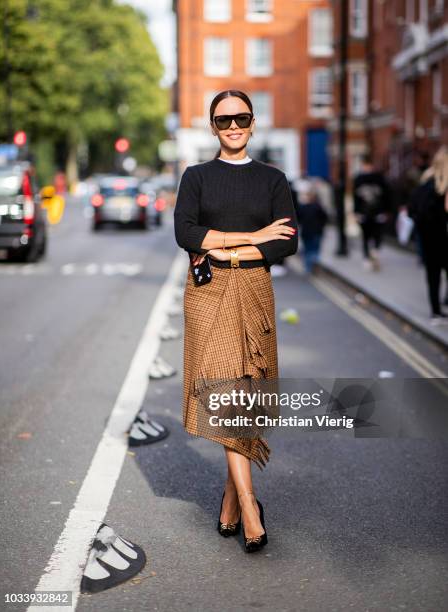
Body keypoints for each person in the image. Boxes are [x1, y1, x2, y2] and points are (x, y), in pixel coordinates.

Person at [174, 90, 298, 552]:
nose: (232, 126)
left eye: (241, 118)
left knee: (246, 390)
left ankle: (229, 497)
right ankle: (249, 504)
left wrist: (225, 247)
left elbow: (285, 242)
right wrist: (252, 236)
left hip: (254, 289)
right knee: (224, 390)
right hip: (207, 293)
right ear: (211, 127)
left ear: (252, 122)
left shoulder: (272, 178)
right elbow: (185, 233)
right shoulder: (197, 176)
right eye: (223, 119)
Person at [408, 146, 448, 325]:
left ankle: (436, 312)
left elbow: (412, 211)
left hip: (429, 241)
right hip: (443, 239)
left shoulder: (424, 184)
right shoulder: (442, 189)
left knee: (433, 277)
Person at [353, 155, 391, 271]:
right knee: (365, 236)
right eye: (365, 166)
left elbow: (387, 196)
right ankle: (367, 257)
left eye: (368, 165)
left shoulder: (380, 179)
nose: (366, 168)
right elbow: (356, 198)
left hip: (378, 212)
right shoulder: (358, 179)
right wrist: (356, 212)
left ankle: (375, 253)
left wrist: (386, 211)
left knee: (377, 234)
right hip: (364, 213)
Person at [296, 181, 328, 273]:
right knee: (315, 249)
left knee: (307, 250)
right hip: (317, 232)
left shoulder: (302, 207)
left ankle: (308, 268)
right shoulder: (319, 207)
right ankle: (314, 262)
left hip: (306, 232)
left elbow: (298, 219)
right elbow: (325, 218)